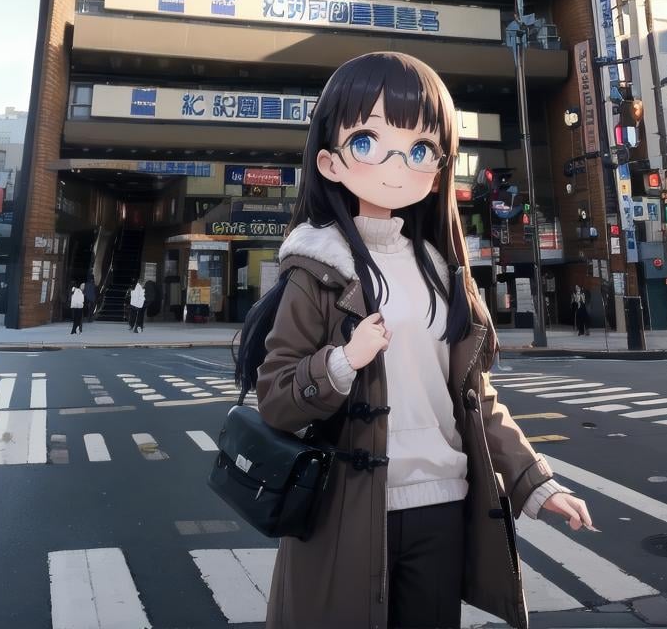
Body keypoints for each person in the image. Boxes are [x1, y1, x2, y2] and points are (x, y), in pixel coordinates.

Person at [235, 52, 592, 629]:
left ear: (440, 165)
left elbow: (473, 398)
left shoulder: (436, 268)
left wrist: (533, 482)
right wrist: (343, 362)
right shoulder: (317, 266)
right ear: (329, 162)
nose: (399, 167)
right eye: (369, 142)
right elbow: (275, 395)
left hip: (443, 503)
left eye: (421, 149)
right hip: (347, 507)